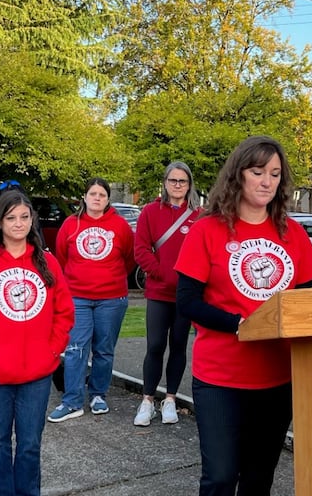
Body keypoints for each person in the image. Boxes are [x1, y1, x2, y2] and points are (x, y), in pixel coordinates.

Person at [175, 135, 312, 496]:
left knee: (259, 480)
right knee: (221, 477)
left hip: (277, 377)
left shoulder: (293, 233)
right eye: (258, 172)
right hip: (220, 378)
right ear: (238, 175)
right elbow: (188, 302)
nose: (267, 181)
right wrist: (239, 325)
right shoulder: (206, 230)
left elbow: (311, 301)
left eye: (274, 174)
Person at [0, 189, 74, 496]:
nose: (18, 224)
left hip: (37, 372)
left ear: (32, 220)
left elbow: (64, 312)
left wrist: (51, 350)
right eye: (11, 218)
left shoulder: (47, 262)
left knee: (30, 444)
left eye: (24, 217)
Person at [47, 178, 135, 422]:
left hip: (112, 298)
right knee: (75, 348)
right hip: (78, 297)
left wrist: (110, 280)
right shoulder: (70, 225)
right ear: (84, 197)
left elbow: (128, 259)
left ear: (108, 200)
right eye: (93, 193)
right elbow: (62, 259)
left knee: (104, 350)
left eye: (102, 195)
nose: (97, 198)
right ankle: (72, 400)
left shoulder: (120, 226)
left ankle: (98, 395)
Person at [132, 161, 200, 426]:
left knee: (179, 346)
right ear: (165, 182)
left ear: (189, 184)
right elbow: (141, 249)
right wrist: (160, 272)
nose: (178, 186)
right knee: (155, 345)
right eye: (173, 180)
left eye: (182, 181)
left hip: (186, 296)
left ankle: (170, 398)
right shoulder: (150, 211)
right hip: (159, 292)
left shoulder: (199, 215)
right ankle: (147, 399)